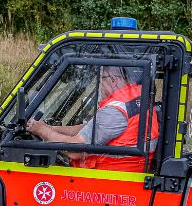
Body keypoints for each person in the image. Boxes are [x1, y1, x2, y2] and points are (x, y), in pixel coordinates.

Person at [26, 65, 159, 172]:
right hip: (126, 174)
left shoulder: (114, 111)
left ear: (112, 80)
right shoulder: (135, 97)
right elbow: (91, 127)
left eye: (100, 81)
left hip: (105, 181)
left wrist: (43, 132)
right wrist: (52, 128)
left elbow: (76, 151)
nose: (99, 86)